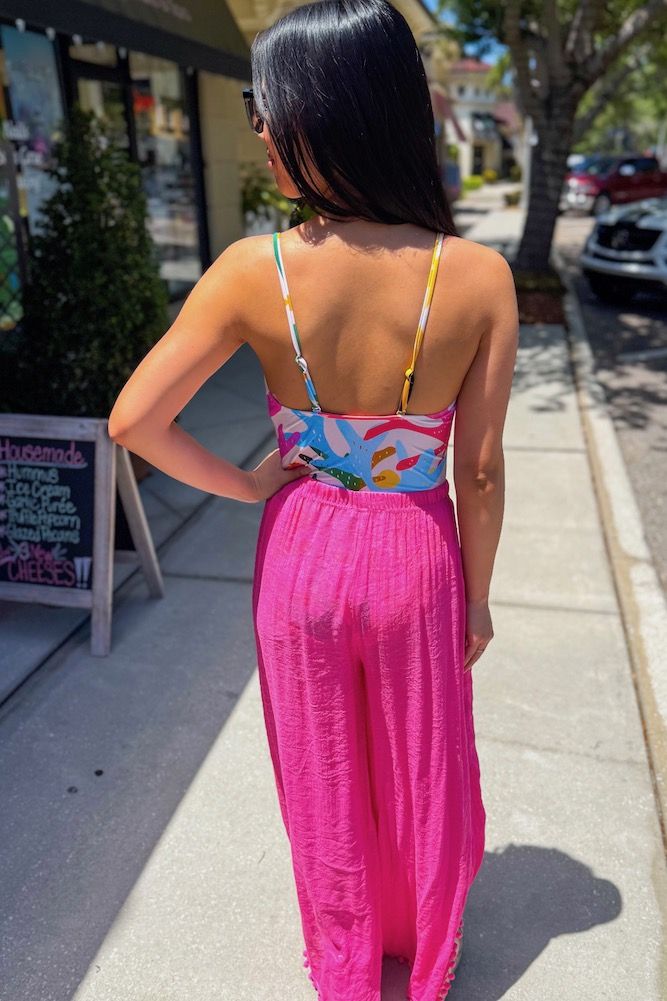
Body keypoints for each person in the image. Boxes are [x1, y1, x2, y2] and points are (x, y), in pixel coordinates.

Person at [108, 1, 519, 997]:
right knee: (420, 763)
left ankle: (346, 962)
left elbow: (134, 421)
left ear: (328, 114)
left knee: (324, 768)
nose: (259, 129)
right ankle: (423, 954)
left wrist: (250, 481)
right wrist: (475, 595)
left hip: (301, 553)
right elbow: (478, 470)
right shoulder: (475, 276)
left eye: (270, 108)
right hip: (417, 552)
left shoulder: (252, 271)